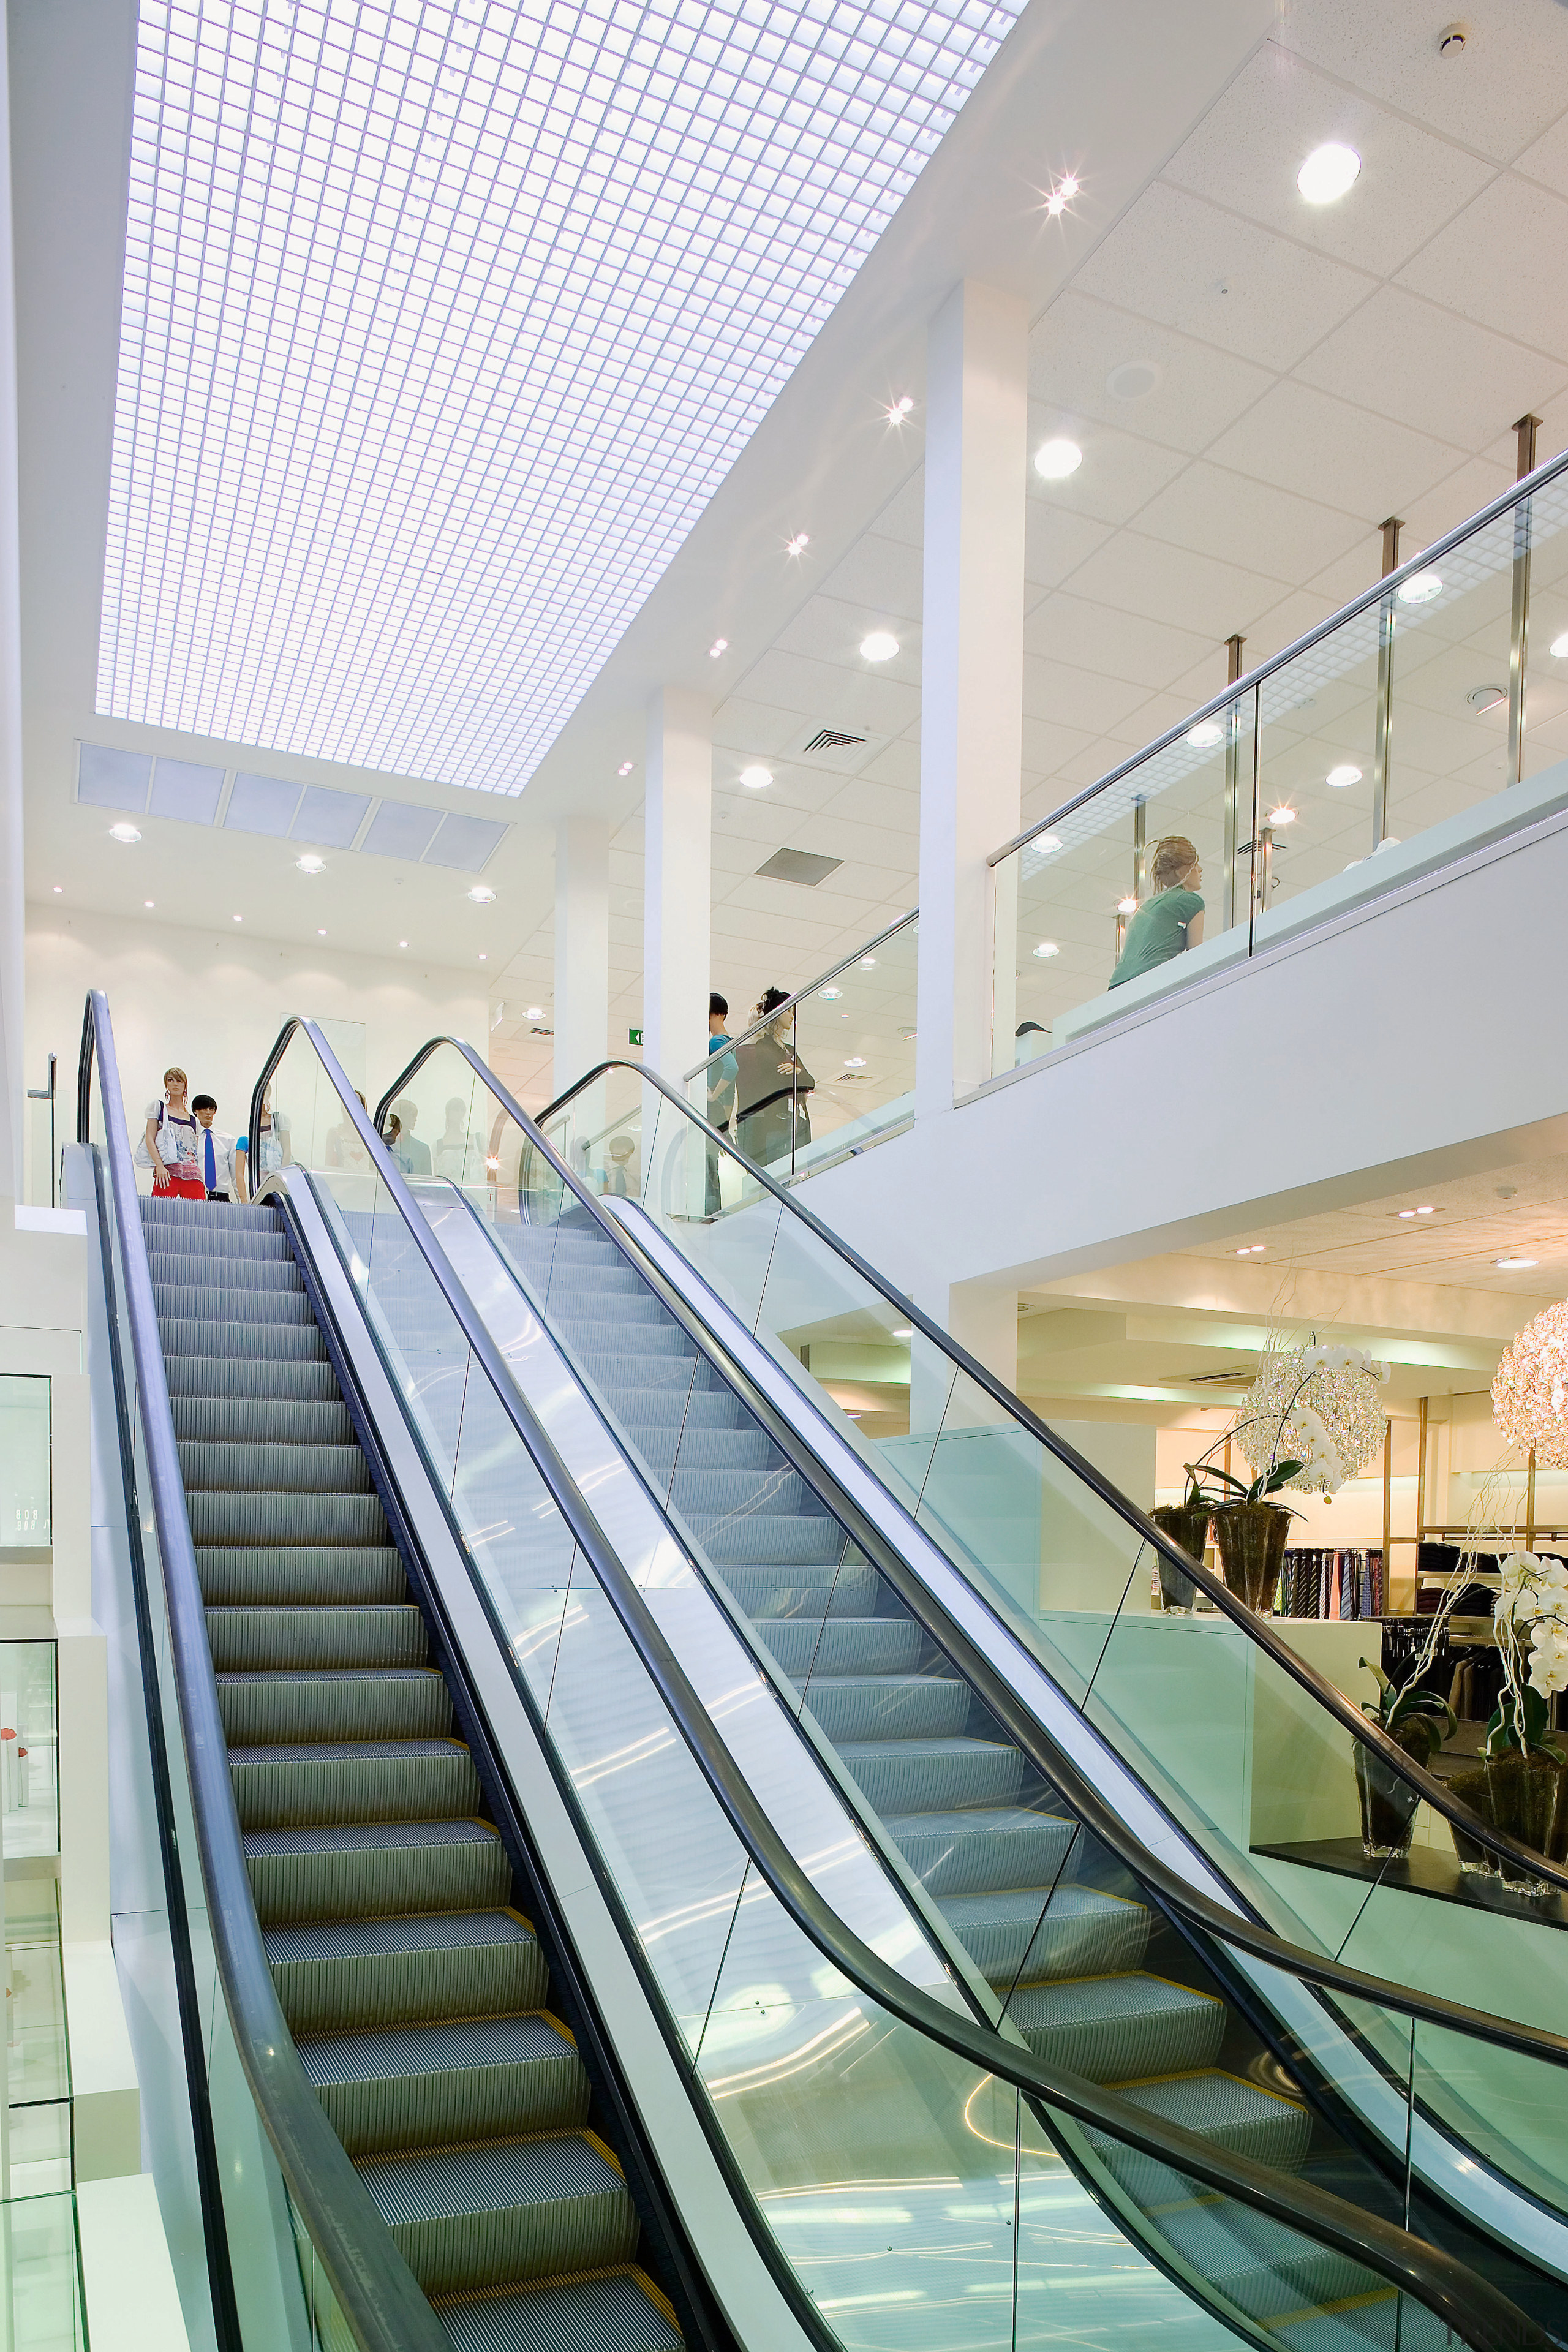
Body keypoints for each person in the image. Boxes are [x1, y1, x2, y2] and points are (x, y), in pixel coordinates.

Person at [1107, 836, 1205, 990]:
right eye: (1195, 864)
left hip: (1118, 983)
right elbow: (1195, 956)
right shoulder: (1191, 901)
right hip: (1151, 978)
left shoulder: (1146, 906)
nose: (1200, 869)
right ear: (1182, 872)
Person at [734, 987, 813, 1171]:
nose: (792, 1016)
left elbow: (810, 1082)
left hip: (796, 1121)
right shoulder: (764, 1048)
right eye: (788, 1011)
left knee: (794, 1172)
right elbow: (775, 1082)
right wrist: (797, 1077)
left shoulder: (790, 1049)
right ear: (777, 1013)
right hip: (776, 1124)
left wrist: (797, 1072)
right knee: (778, 1172)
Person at [140, 1066, 205, 1197]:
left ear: (185, 1085)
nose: (175, 1084)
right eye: (171, 1080)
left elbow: (194, 1151)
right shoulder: (159, 1109)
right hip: (166, 1173)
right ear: (166, 1084)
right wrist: (159, 1165)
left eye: (179, 1081)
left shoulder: (194, 1121)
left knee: (198, 1210)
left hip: (193, 1176)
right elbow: (149, 1138)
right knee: (161, 1209)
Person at [705, 990, 736, 1216]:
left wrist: (713, 1095)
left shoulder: (716, 1041)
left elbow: (732, 1068)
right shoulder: (730, 1042)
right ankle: (714, 1214)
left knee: (707, 1168)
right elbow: (732, 1091)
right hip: (720, 1116)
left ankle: (710, 1214)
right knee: (711, 1168)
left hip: (712, 1111)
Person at [234, 1088, 291, 1202]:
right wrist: (244, 1200)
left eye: (267, 1090)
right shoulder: (246, 1141)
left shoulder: (278, 1119)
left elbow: (287, 1151)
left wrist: (281, 1179)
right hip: (259, 1186)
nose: (264, 1093)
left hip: (278, 1182)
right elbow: (239, 1174)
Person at [190, 1095, 239, 1200]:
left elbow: (236, 1175)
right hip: (196, 1195)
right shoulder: (190, 1139)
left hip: (222, 1197)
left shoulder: (228, 1140)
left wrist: (242, 1200)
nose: (208, 1112)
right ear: (196, 1111)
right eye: (204, 1109)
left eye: (211, 1109)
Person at [434, 1096, 479, 1183]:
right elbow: (436, 1174)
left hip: (472, 1187)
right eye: (455, 1110)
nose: (459, 1113)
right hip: (449, 1188)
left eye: (462, 1110)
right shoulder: (438, 1145)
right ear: (448, 1113)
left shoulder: (476, 1140)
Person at [325, 1092, 372, 1174]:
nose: (352, 1107)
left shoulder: (370, 1138)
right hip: (342, 1180)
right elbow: (329, 1166)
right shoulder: (334, 1134)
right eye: (349, 1102)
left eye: (356, 1104)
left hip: (366, 1180)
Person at [386, 1097, 431, 1175]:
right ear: (401, 1116)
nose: (416, 1119)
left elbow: (427, 1179)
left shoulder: (423, 1149)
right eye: (413, 1115)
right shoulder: (382, 1145)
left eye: (415, 1116)